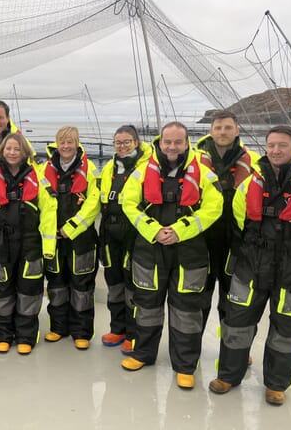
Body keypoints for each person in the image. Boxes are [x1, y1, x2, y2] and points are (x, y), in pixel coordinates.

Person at [209, 125, 291, 406]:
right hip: (252, 264)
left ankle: (276, 384)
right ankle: (229, 375)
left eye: (282, 145)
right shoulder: (251, 183)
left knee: (287, 329)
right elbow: (239, 216)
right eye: (271, 145)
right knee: (236, 322)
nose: (276, 150)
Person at [121, 121, 222, 389]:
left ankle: (185, 365)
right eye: (168, 142)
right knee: (146, 305)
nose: (172, 147)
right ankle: (143, 353)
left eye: (178, 142)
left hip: (190, 251)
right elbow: (128, 203)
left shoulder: (204, 173)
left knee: (187, 310)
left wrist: (179, 230)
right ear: (160, 142)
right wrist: (153, 230)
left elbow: (214, 207)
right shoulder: (142, 171)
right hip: (150, 248)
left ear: (187, 142)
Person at [0, 133, 57, 354]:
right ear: (1, 151)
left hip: (30, 244)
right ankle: (3, 335)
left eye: (16, 149)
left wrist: (48, 249)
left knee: (29, 291)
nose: (11, 152)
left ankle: (26, 336)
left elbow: (49, 213)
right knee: (0, 292)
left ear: (25, 152)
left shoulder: (39, 179)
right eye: (8, 148)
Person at [195, 110, 259, 326]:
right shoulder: (194, 160)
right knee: (198, 294)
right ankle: (192, 348)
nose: (223, 132)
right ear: (211, 131)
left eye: (228, 127)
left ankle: (232, 348)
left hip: (237, 236)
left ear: (237, 130)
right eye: (218, 128)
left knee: (233, 293)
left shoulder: (254, 162)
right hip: (203, 235)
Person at [43, 126, 100, 350]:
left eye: (70, 142)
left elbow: (93, 203)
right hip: (54, 239)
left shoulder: (91, 169)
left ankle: (81, 332)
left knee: (82, 288)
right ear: (57, 144)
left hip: (81, 240)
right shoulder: (43, 170)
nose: (66, 146)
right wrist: (52, 230)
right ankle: (58, 328)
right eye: (62, 142)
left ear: (77, 143)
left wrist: (71, 228)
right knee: (56, 286)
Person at [98, 125, 150, 355]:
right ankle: (117, 328)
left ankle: (133, 333)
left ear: (136, 142)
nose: (122, 146)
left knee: (132, 287)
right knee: (114, 284)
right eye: (118, 142)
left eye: (127, 141)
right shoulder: (110, 167)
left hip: (134, 235)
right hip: (110, 233)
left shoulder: (146, 167)